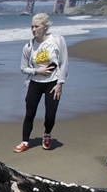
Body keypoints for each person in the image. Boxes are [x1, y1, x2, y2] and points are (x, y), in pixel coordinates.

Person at [14, 12, 69, 153]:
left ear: (45, 27)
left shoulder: (58, 40)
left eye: (36, 26)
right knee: (29, 113)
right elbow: (23, 68)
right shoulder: (28, 46)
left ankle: (47, 135)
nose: (33, 30)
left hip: (53, 83)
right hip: (35, 84)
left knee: (50, 115)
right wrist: (37, 71)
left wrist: (60, 83)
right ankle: (25, 141)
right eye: (32, 27)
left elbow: (64, 64)